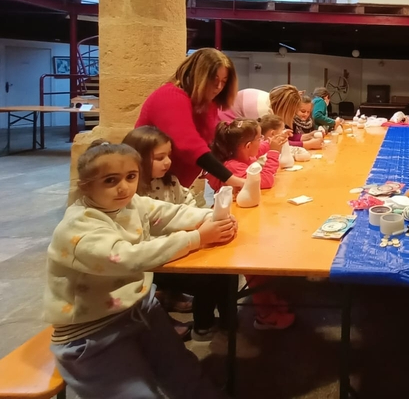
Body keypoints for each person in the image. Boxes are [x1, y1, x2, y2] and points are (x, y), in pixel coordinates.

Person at [45, 141, 236, 399]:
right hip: (91, 332)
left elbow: (170, 214)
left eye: (131, 177)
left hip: (138, 308)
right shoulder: (78, 227)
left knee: (186, 374)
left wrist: (212, 217)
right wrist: (197, 239)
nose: (124, 187)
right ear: (86, 185)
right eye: (110, 180)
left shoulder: (131, 203)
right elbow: (125, 257)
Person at [122, 126, 236, 342]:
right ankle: (203, 326)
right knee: (207, 278)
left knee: (226, 268)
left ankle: (229, 321)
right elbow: (145, 241)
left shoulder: (170, 181)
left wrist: (210, 218)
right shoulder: (134, 193)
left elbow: (188, 205)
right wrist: (193, 235)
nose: (167, 162)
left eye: (168, 156)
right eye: (159, 157)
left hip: (185, 246)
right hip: (158, 259)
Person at [207, 118, 295, 330]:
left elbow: (261, 148)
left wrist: (273, 142)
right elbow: (264, 182)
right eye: (259, 138)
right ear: (247, 146)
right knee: (256, 271)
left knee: (262, 269)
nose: (262, 142)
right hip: (238, 229)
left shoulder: (243, 157)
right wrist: (274, 153)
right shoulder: (233, 167)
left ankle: (269, 300)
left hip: (250, 219)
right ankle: (264, 315)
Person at [135, 48, 244, 190]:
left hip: (175, 187)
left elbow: (206, 145)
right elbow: (189, 145)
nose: (218, 87)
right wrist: (231, 178)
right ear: (198, 76)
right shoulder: (169, 96)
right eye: (214, 80)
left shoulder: (208, 103)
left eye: (223, 82)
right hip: (151, 186)